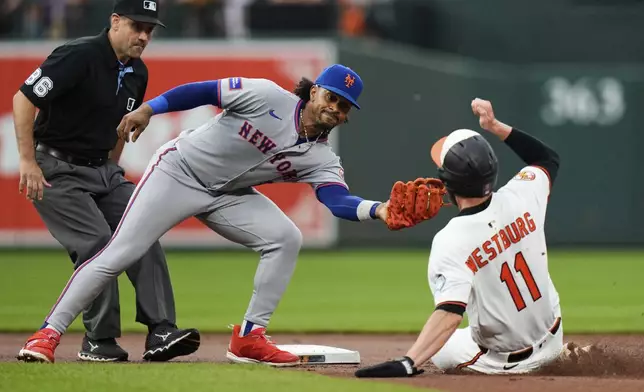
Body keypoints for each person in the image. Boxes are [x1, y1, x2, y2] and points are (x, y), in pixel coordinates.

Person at [16, 64, 411, 366]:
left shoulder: (322, 157)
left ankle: (250, 338)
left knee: (286, 237)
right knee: (120, 251)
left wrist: (380, 210)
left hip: (227, 194)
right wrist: (150, 109)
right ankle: (46, 335)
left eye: (344, 107)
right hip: (179, 172)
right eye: (331, 98)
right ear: (315, 91)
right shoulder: (266, 95)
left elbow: (336, 200)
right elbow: (201, 91)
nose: (335, 108)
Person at [14, 0, 200, 363]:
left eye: (150, 29)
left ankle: (161, 329)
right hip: (56, 168)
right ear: (115, 22)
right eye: (137, 26)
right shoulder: (77, 55)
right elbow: (23, 99)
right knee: (99, 244)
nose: (144, 35)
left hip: (102, 169)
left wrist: (113, 169)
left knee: (144, 228)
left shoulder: (137, 72)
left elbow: (121, 124)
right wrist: (26, 161)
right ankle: (98, 339)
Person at [355, 98, 566, 377]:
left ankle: (522, 361)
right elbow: (547, 158)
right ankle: (563, 353)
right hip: (554, 336)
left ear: (447, 182)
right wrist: (494, 126)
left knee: (443, 350)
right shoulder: (525, 194)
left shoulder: (451, 239)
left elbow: (450, 313)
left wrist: (409, 361)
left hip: (504, 360)